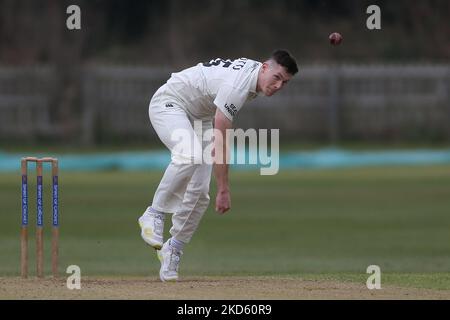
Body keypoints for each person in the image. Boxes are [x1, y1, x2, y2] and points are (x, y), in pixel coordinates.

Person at [138, 49, 298, 281]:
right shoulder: (239, 87)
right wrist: (223, 189)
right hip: (170, 102)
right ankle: (154, 214)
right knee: (190, 154)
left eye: (285, 82)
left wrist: (218, 187)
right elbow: (221, 142)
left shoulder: (256, 77)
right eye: (277, 78)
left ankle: (173, 249)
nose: (278, 86)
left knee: (200, 194)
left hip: (199, 115)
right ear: (264, 67)